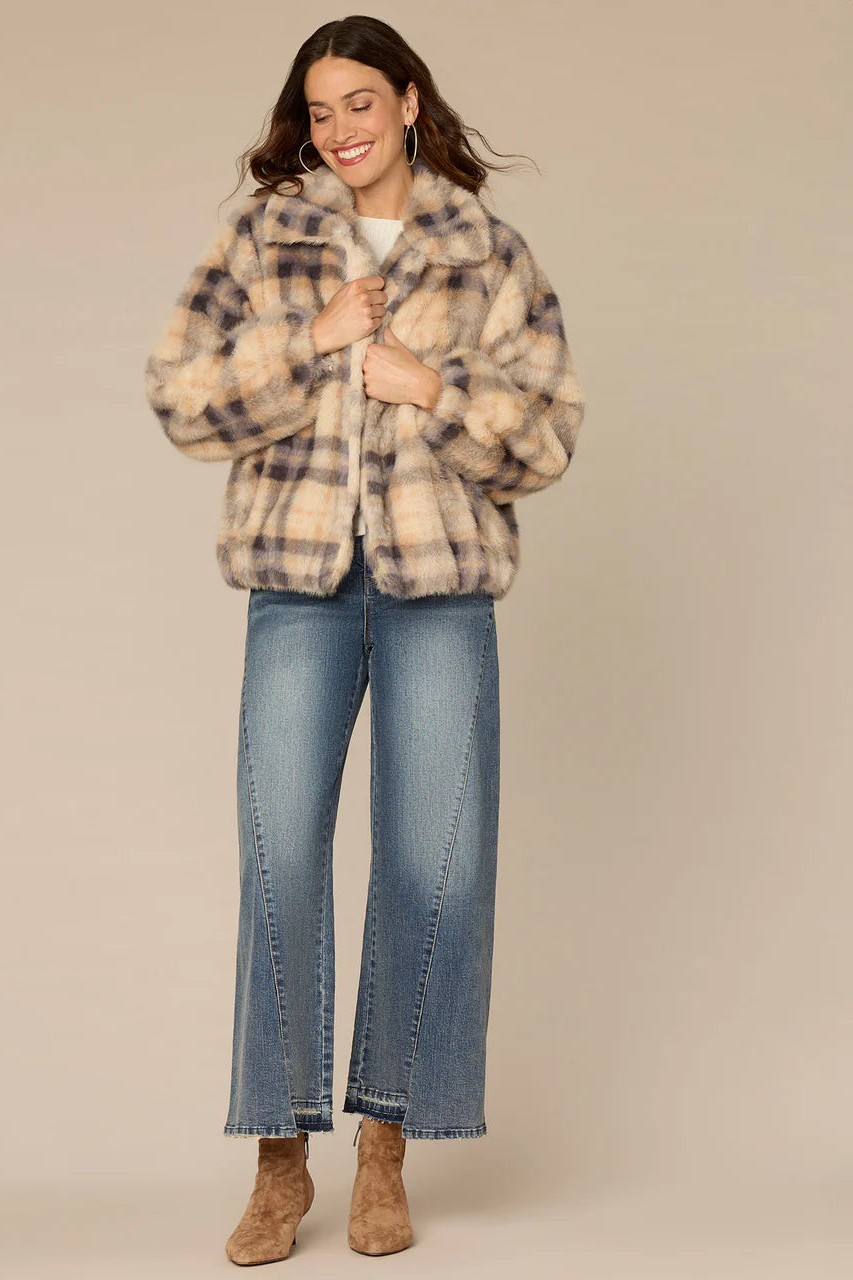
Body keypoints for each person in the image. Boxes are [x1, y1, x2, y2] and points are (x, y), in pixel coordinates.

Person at [143, 14, 585, 1266]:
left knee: (432, 864)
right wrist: (314, 341)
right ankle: (279, 1160)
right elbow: (181, 395)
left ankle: (384, 1143)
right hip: (299, 583)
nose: (341, 128)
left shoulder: (487, 250)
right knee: (279, 855)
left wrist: (431, 385)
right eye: (320, 108)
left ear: (407, 102)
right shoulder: (265, 236)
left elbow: (548, 436)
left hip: (440, 584)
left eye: (361, 103)